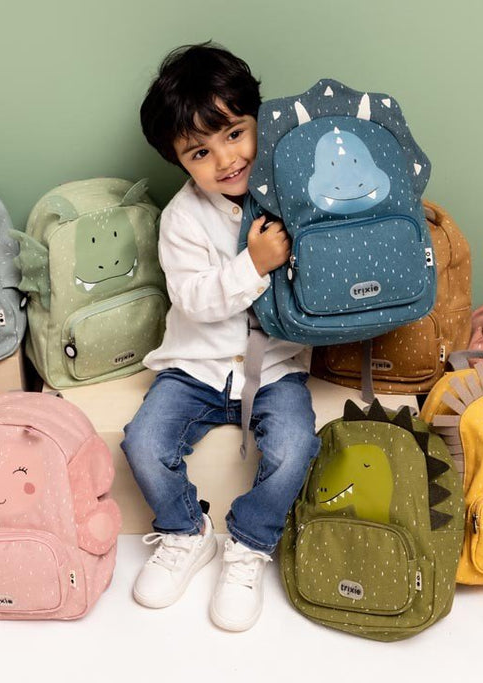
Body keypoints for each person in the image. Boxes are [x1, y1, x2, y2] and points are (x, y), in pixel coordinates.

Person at [121, 42, 320, 632]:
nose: (226, 159)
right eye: (200, 152)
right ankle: (186, 532)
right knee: (142, 442)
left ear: (260, 120)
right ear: (180, 161)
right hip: (196, 368)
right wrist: (253, 264)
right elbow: (195, 299)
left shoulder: (295, 195)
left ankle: (250, 543)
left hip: (276, 369)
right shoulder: (181, 218)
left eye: (235, 134)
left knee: (294, 448)